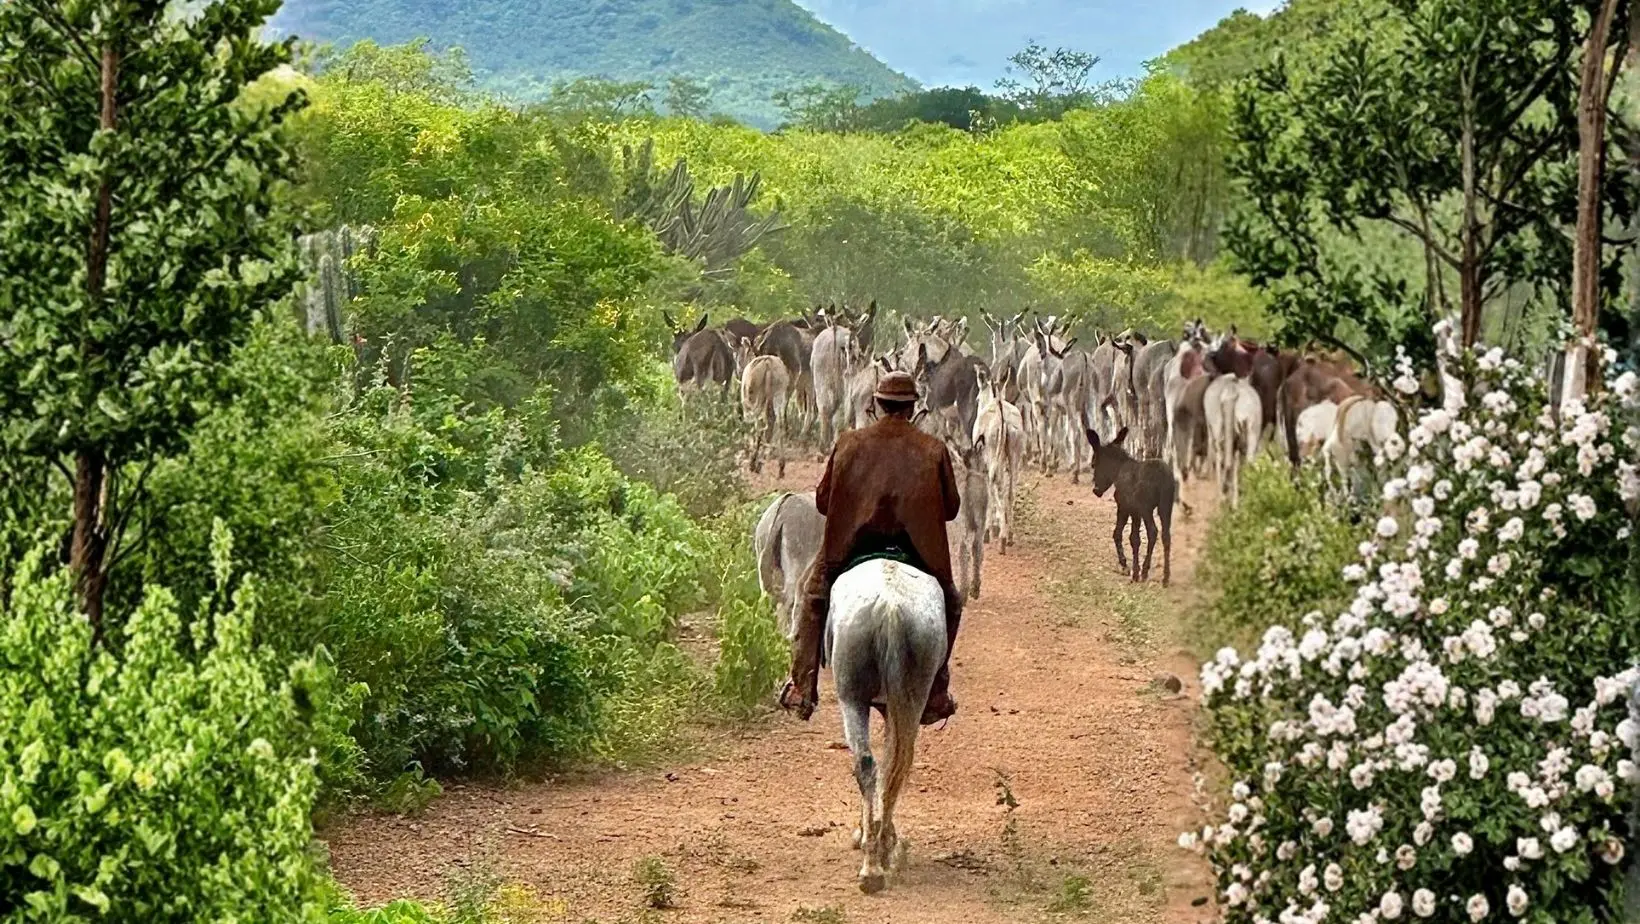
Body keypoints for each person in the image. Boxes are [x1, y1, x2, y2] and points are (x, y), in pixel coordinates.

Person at [777, 370, 963, 726]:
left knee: (811, 595)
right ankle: (936, 690)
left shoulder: (849, 442)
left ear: (876, 405)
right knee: (952, 603)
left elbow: (821, 501)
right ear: (911, 409)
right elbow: (952, 509)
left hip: (852, 546)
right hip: (918, 551)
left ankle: (803, 688)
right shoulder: (933, 450)